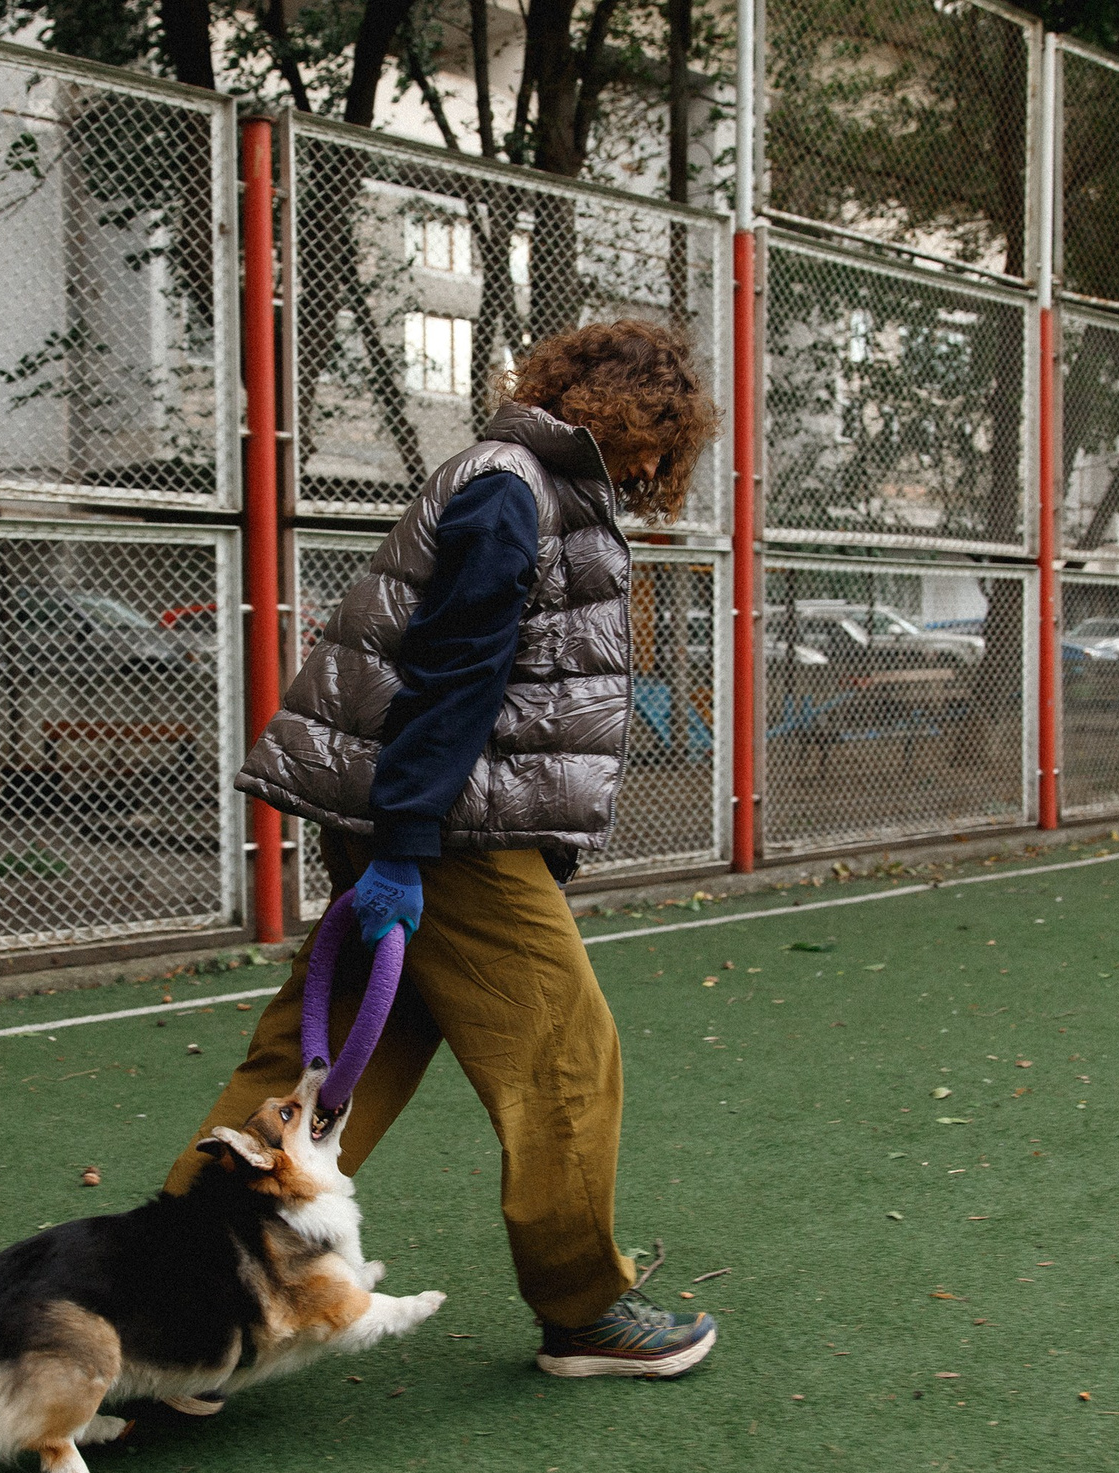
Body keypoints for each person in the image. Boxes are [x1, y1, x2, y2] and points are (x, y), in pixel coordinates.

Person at [161, 318, 723, 1379]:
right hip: (451, 832)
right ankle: (585, 1310)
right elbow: (454, 675)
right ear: (617, 412)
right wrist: (407, 848)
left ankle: (166, 1304)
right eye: (657, 436)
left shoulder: (517, 483)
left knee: (318, 1071)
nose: (657, 464)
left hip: (430, 822)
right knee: (565, 1053)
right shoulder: (516, 489)